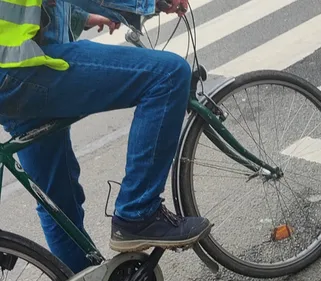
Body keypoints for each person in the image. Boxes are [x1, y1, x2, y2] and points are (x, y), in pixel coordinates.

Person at [0, 0, 211, 274]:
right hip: (23, 69)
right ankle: (138, 213)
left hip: (13, 70)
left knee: (57, 203)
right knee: (168, 75)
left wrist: (80, 17)